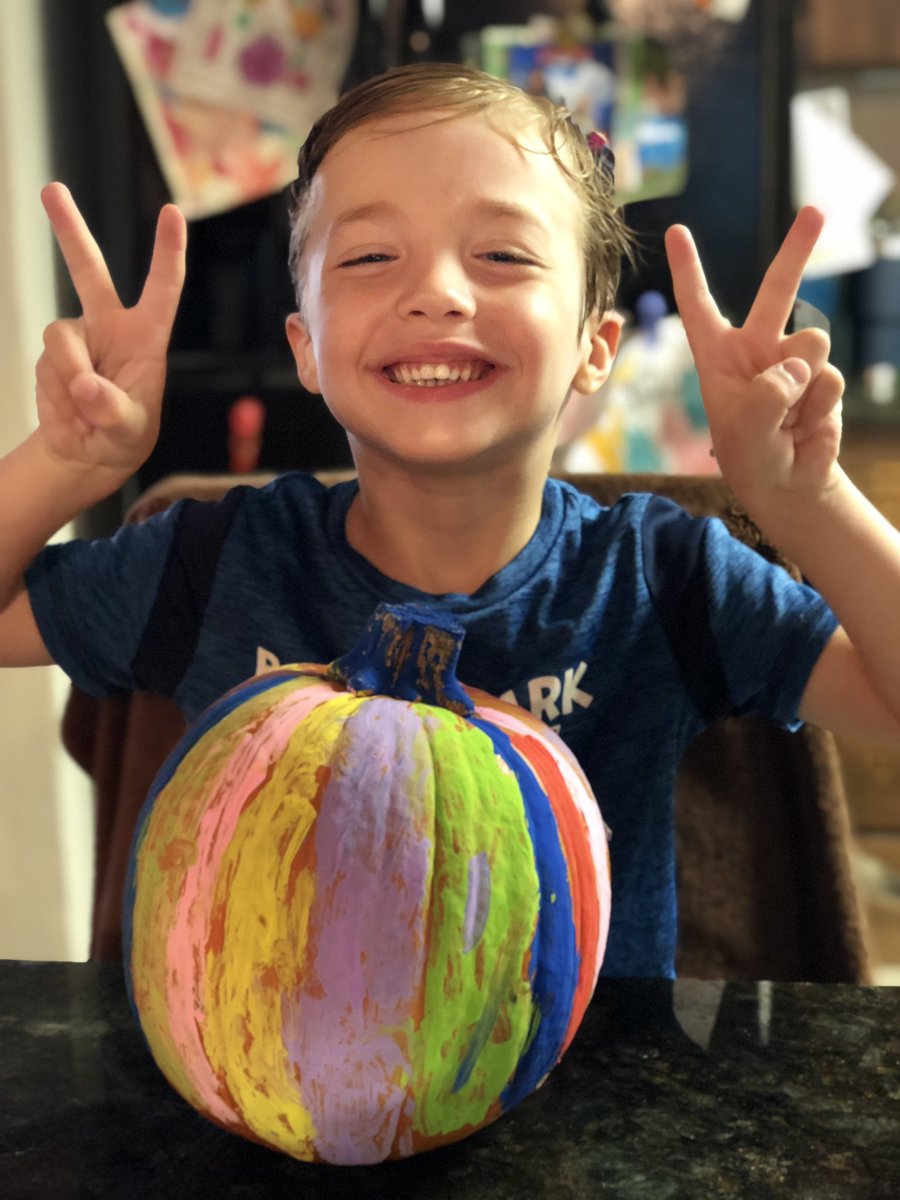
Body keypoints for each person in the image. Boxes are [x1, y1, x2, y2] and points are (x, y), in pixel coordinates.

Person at [2, 63, 899, 978]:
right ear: (306, 346)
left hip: (590, 1068)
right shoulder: (216, 563)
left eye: (502, 255)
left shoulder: (662, 581)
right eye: (369, 257)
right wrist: (66, 464)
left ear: (594, 347)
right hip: (258, 1066)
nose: (436, 292)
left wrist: (807, 501)